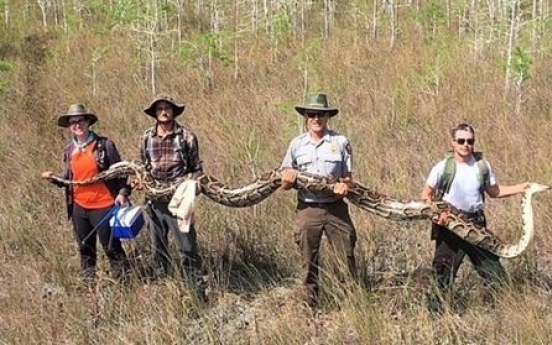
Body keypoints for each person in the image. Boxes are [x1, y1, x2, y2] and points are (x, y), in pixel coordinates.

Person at [421, 122, 529, 310]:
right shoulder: (442, 167)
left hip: (476, 225)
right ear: (453, 143)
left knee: (494, 273)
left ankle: (503, 310)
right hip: (449, 227)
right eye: (461, 141)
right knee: (442, 275)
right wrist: (438, 216)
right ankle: (435, 317)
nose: (466, 145)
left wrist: (522, 188)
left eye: (470, 141)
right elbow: (426, 195)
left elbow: (494, 191)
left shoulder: (482, 166)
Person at [280, 93, 357, 309]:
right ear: (305, 116)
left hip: (335, 208)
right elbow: (284, 182)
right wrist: (287, 179)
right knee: (308, 260)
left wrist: (345, 186)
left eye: (320, 114)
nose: (316, 118)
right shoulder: (296, 144)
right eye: (311, 114)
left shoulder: (341, 142)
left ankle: (353, 304)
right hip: (308, 207)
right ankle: (310, 306)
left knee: (347, 257)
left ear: (327, 116)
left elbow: (349, 179)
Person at [41, 104, 130, 284]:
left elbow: (122, 172)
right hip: (79, 207)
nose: (77, 125)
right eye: (73, 122)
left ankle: (125, 284)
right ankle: (89, 284)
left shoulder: (104, 145)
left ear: (88, 122)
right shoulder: (69, 150)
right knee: (85, 247)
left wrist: (122, 193)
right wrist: (54, 179)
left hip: (104, 205)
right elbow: (70, 179)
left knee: (111, 246)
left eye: (80, 120)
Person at [137, 93, 207, 303]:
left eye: (167, 108)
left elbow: (197, 169)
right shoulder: (147, 137)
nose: (164, 111)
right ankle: (164, 289)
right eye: (159, 108)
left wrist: (192, 187)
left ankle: (197, 291)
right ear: (155, 113)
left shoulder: (187, 136)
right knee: (158, 247)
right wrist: (139, 180)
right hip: (153, 200)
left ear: (174, 111)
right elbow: (141, 165)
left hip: (179, 200)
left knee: (187, 247)